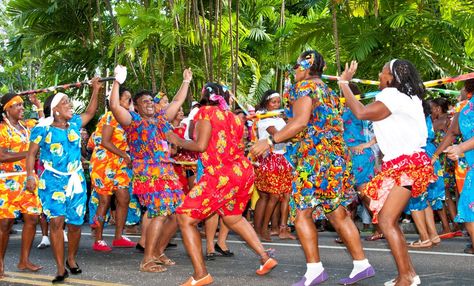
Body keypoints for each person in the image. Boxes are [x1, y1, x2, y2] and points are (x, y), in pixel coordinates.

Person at [251, 50, 374, 286]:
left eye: (295, 68)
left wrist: (268, 141)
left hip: (315, 159)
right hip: (335, 158)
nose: (294, 73)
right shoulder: (327, 90)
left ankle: (315, 270)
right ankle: (362, 264)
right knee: (336, 212)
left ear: (305, 68)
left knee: (301, 214)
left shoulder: (304, 88)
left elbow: (300, 122)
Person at [169, 83, 277, 286]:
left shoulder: (204, 112)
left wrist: (177, 140)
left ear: (204, 96)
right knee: (233, 217)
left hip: (220, 174)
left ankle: (201, 274)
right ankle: (265, 257)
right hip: (242, 172)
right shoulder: (234, 118)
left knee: (184, 218)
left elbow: (200, 145)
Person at [339, 59, 436, 286]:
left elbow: (361, 113)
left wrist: (344, 83)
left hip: (406, 164)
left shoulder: (392, 96)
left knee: (386, 220)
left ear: (391, 78)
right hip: (405, 163)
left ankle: (406, 276)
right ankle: (408, 274)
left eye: (382, 72)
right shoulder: (410, 97)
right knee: (384, 217)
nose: (380, 76)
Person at [109, 66, 191, 273]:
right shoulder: (133, 121)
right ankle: (147, 259)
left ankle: (158, 252)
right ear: (136, 107)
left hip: (167, 171)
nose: (149, 104)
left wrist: (186, 82)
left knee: (179, 213)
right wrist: (117, 82)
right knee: (159, 214)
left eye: (151, 101)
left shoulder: (161, 119)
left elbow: (176, 102)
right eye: (144, 102)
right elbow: (115, 107)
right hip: (147, 172)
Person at [25, 77, 101, 283]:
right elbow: (31, 154)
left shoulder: (75, 124)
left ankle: (71, 258)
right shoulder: (42, 128)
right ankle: (60, 268)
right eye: (65, 102)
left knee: (75, 225)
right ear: (55, 109)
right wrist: (30, 175)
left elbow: (90, 112)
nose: (70, 105)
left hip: (76, 180)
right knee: (56, 222)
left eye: (70, 102)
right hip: (52, 182)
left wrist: (96, 89)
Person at [0, 93, 43, 278]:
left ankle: (24, 260)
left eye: (22, 105)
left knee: (32, 219)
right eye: (17, 105)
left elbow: (44, 126)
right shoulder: (2, 129)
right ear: (7, 109)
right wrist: (29, 153)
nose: (21, 108)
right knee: (5, 223)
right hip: (7, 181)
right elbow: (2, 156)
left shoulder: (27, 126)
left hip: (28, 179)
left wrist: (38, 105)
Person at [89, 87, 137, 251]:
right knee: (104, 201)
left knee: (124, 198)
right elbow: (105, 142)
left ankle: (118, 237)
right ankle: (98, 239)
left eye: (130, 100)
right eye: (127, 99)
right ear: (117, 100)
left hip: (120, 162)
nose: (130, 103)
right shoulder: (110, 116)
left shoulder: (128, 120)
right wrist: (125, 155)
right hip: (104, 162)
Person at [253, 89, 295, 241]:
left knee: (280, 196)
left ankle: (277, 228)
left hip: (281, 159)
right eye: (273, 102)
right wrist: (293, 128)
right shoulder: (265, 119)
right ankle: (263, 229)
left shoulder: (278, 118)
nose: (277, 104)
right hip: (269, 160)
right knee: (272, 196)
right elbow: (279, 136)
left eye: (278, 102)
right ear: (267, 103)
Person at [405, 101, 443, 248]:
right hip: (429, 153)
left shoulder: (412, 115)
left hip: (417, 154)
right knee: (424, 198)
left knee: (414, 198)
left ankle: (424, 238)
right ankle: (433, 235)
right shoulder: (425, 115)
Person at [444, 86, 474, 254]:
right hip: (470, 165)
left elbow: (452, 134)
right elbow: (453, 133)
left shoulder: (466, 107)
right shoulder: (466, 106)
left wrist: (460, 147)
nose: (460, 89)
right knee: (468, 209)